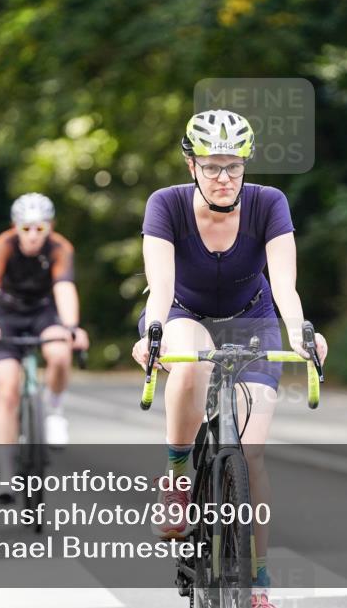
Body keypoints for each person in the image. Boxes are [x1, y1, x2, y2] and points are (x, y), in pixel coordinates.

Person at [131, 110, 328, 608]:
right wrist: (154, 334)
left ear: (246, 166)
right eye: (212, 166)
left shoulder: (269, 204)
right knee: (193, 363)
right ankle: (178, 479)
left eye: (234, 167)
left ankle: (258, 578)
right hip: (184, 312)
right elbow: (161, 286)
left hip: (252, 319)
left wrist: (303, 334)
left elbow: (284, 286)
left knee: (252, 451)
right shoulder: (166, 204)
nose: (224, 178)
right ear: (192, 165)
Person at [0, 193, 89, 500]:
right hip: (6, 315)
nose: (34, 235)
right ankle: (7, 476)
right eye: (26, 229)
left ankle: (55, 411)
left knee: (60, 353)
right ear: (16, 227)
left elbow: (64, 287)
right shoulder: (4, 245)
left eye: (40, 228)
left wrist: (71, 326)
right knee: (7, 390)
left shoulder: (61, 248)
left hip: (42, 313)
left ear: (51, 226)